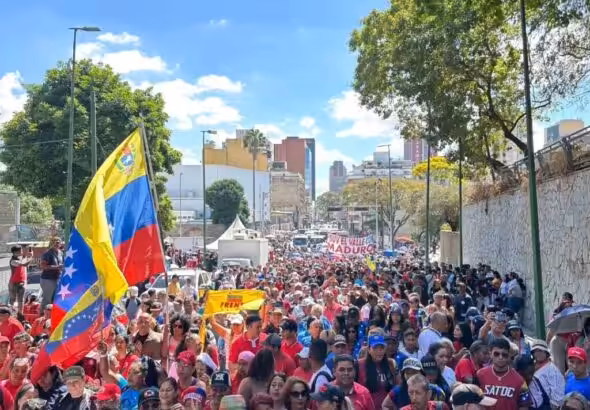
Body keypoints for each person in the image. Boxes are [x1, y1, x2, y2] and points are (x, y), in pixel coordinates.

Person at [476, 338, 531, 410]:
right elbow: (473, 401)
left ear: (509, 355)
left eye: (504, 354)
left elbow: (524, 405)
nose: (500, 357)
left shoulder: (520, 380)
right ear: (490, 354)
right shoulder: (479, 375)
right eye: (496, 354)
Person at [530, 340, 564, 408]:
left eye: (540, 351)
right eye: (535, 351)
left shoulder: (553, 370)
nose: (538, 353)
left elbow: (558, 398)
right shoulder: (530, 366)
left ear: (546, 353)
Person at [40, 237, 63, 312]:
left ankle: (51, 317)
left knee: (55, 299)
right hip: (47, 279)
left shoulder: (60, 252)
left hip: (57, 278)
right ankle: (42, 316)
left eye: (58, 242)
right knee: (47, 299)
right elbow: (43, 266)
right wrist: (57, 267)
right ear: (51, 243)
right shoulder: (47, 253)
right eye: (55, 242)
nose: (57, 244)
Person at [8, 246, 33, 315]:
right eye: (21, 250)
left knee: (21, 300)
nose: (22, 251)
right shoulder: (13, 260)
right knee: (13, 299)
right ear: (16, 252)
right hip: (14, 283)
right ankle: (11, 314)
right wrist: (30, 257)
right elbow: (24, 264)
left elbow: (25, 263)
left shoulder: (21, 258)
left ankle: (20, 314)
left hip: (22, 282)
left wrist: (28, 256)